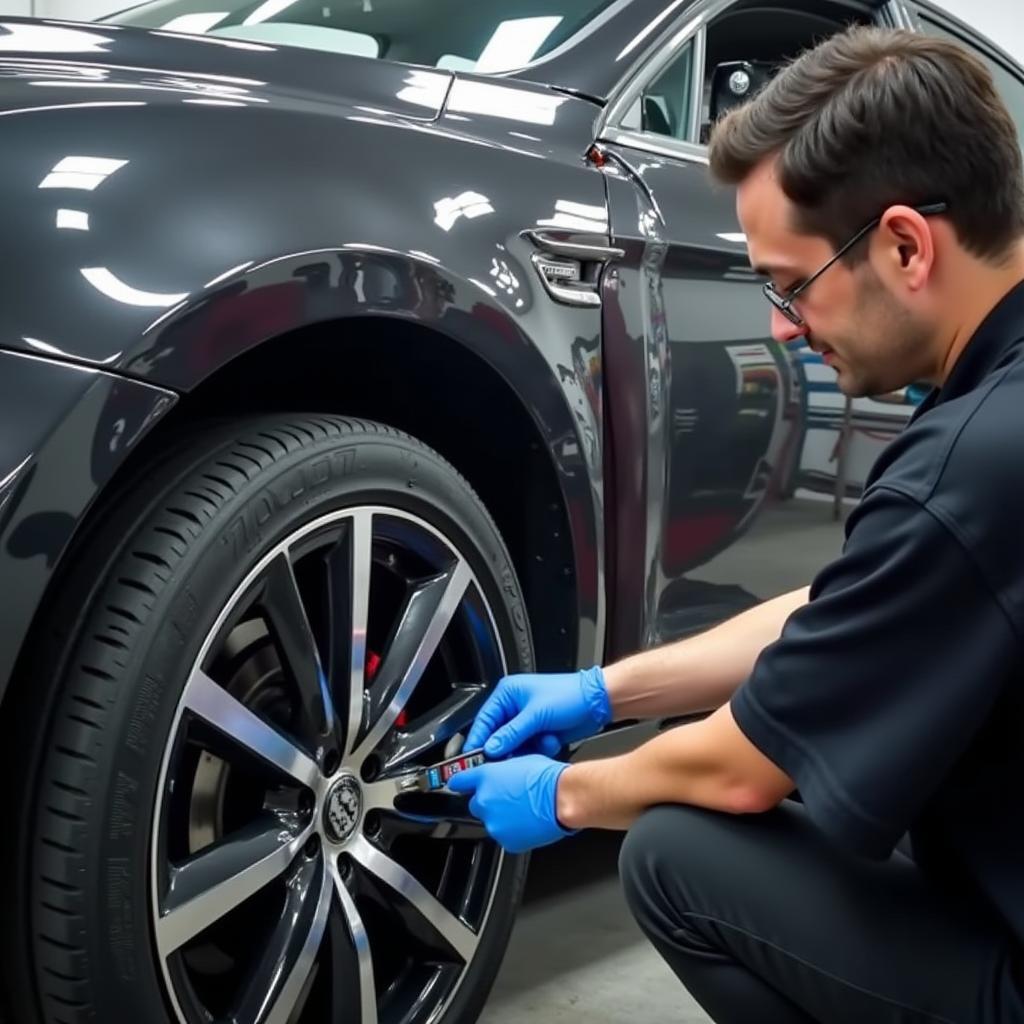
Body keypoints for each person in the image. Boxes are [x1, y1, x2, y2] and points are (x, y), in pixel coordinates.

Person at [446, 25, 1024, 1024]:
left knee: (679, 848)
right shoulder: (994, 407)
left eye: (789, 283)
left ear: (902, 244)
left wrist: (565, 796)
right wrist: (604, 692)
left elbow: (738, 770)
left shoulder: (975, 459)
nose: (778, 327)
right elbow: (858, 608)